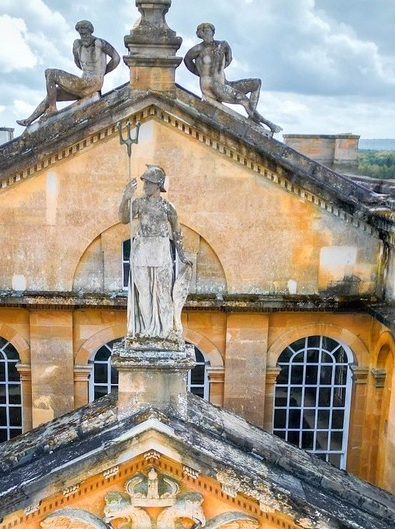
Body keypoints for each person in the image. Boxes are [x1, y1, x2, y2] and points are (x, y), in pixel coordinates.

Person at [119, 165, 193, 341]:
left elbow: (176, 232)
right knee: (143, 291)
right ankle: (147, 330)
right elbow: (123, 219)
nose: (145, 186)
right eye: (144, 182)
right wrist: (125, 198)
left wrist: (182, 255)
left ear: (158, 184)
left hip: (160, 250)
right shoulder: (138, 203)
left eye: (149, 183)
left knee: (162, 292)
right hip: (141, 249)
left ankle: (164, 330)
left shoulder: (168, 207)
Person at [17, 21, 120, 127]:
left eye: (85, 34)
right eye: (81, 34)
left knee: (50, 73)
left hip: (93, 82)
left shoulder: (99, 43)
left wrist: (102, 73)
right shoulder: (77, 45)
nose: (84, 36)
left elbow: (116, 58)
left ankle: (52, 109)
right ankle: (30, 119)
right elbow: (77, 62)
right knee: (53, 93)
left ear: (90, 32)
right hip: (84, 82)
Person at [183, 23, 282, 134]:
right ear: (199, 34)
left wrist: (219, 70)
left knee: (256, 83)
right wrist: (201, 74)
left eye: (208, 30)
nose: (206, 33)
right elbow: (187, 61)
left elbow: (229, 58)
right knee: (243, 99)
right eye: (203, 31)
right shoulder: (198, 49)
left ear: (213, 32)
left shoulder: (223, 45)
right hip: (211, 86)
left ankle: (252, 116)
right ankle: (267, 123)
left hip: (223, 83)